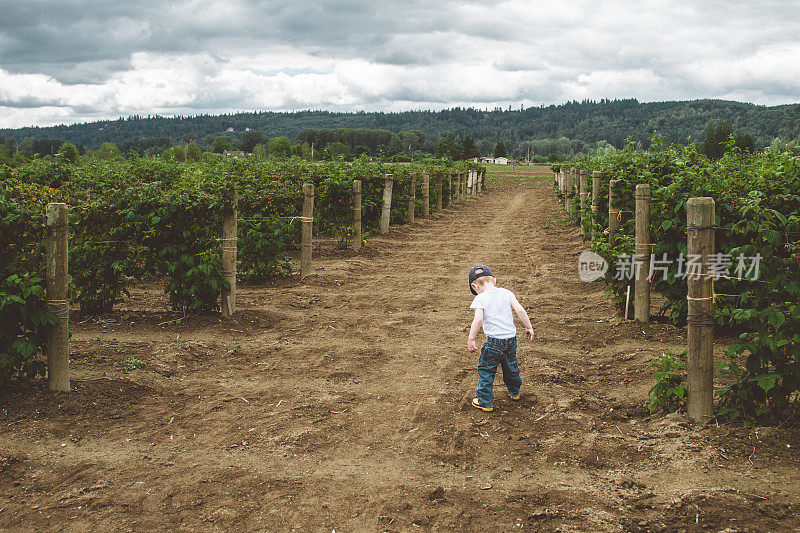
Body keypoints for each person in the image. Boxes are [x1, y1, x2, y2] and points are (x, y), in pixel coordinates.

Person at [467, 264, 534, 412]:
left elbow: (478, 320)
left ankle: (485, 401)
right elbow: (520, 310)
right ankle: (515, 392)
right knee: (511, 366)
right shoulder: (507, 293)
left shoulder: (481, 298)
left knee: (486, 370)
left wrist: (471, 339)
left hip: (493, 342)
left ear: (474, 286)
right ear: (494, 281)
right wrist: (528, 327)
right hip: (511, 340)